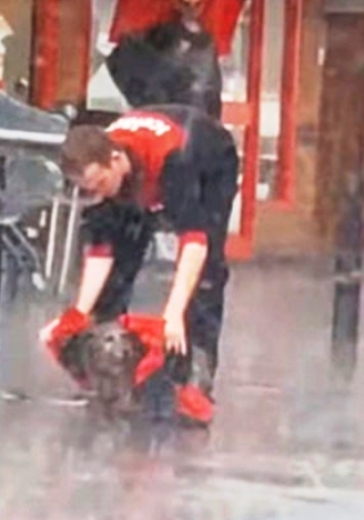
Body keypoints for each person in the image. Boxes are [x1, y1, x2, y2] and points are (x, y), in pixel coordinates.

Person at [39, 103, 239, 424]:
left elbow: (195, 242)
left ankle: (196, 374)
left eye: (101, 184)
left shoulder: (175, 160)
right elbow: (101, 251)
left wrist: (172, 314)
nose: (98, 193)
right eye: (90, 189)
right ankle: (108, 364)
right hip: (140, 172)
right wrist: (77, 315)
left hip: (209, 161)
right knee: (122, 248)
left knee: (207, 274)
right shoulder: (103, 173)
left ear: (115, 161)